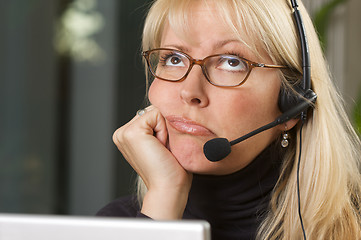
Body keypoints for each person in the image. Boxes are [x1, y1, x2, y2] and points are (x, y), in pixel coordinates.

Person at [97, 0, 361, 239]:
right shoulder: (118, 224)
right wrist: (163, 202)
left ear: (292, 102)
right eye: (174, 58)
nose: (190, 92)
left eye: (232, 62)